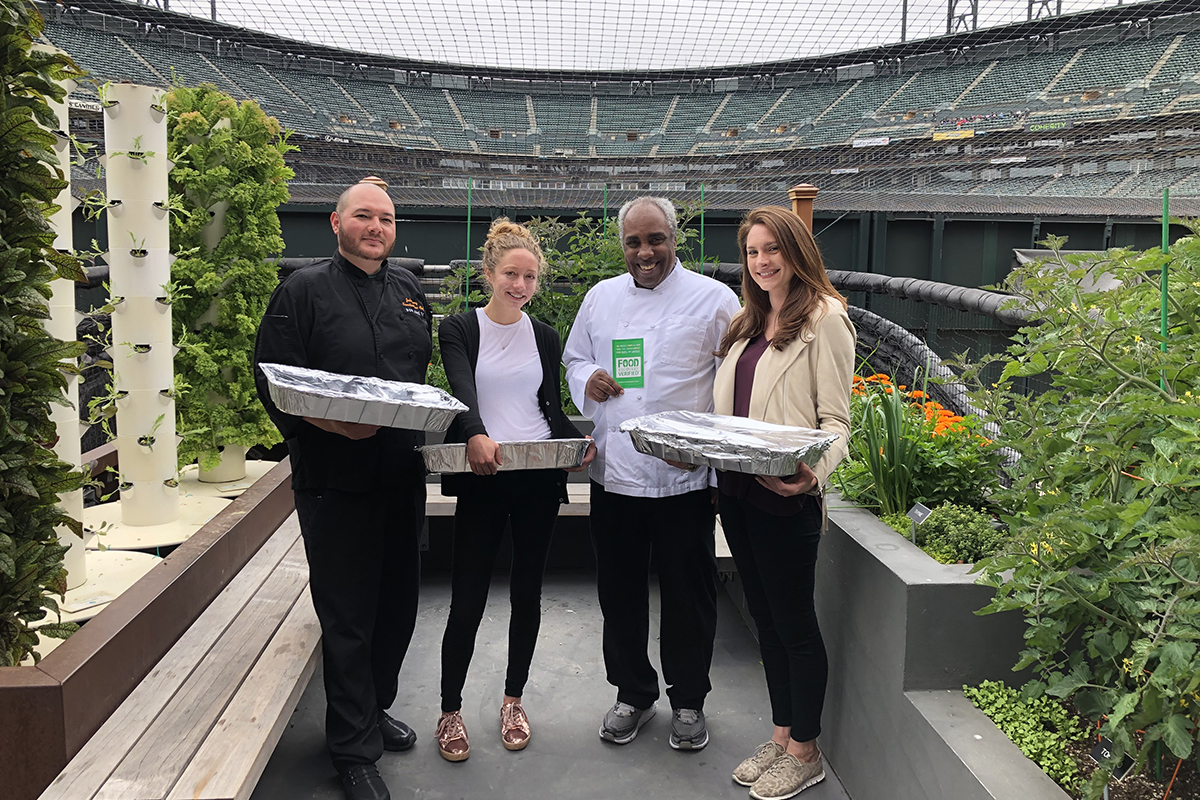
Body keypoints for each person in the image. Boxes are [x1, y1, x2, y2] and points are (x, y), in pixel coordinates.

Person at [254, 180, 431, 800]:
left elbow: (417, 380)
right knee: (349, 614)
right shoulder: (301, 290)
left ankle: (374, 708)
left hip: (401, 472)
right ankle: (352, 750)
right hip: (336, 479)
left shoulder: (410, 291)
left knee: (398, 603)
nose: (376, 226)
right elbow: (273, 382)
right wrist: (335, 424)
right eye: (364, 215)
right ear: (336, 222)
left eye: (385, 217)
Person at [563, 196, 741, 751]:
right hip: (615, 474)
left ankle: (688, 699)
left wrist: (712, 463)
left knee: (689, 594)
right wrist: (589, 376)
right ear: (623, 245)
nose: (646, 252)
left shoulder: (715, 301)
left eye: (656, 239)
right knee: (618, 592)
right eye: (635, 242)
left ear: (674, 237)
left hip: (682, 479)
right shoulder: (600, 299)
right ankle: (633, 693)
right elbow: (572, 358)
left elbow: (730, 385)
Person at [434, 218, 595, 761]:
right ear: (489, 273)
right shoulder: (459, 328)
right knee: (469, 595)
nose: (520, 285)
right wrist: (475, 433)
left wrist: (580, 444)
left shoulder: (544, 335)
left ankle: (512, 699)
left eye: (529, 277)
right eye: (510, 274)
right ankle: (449, 709)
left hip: (537, 478)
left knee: (527, 594)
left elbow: (548, 407)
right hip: (483, 476)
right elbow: (461, 394)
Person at [711, 206, 854, 800]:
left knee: (795, 626)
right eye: (752, 251)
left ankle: (806, 749)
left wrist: (811, 476)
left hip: (785, 499)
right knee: (765, 621)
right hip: (739, 493)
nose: (762, 261)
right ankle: (780, 734)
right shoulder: (748, 322)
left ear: (796, 251)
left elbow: (838, 422)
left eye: (772, 249)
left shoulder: (826, 320)